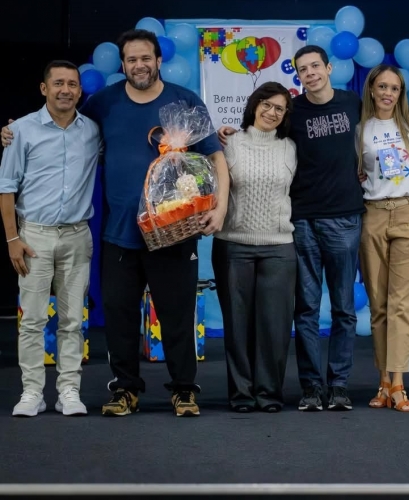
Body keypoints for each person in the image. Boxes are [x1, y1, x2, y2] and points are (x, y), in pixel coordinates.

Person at [3, 29, 230, 417]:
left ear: (158, 60)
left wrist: (220, 208)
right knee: (120, 319)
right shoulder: (102, 104)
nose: (138, 65)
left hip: (173, 234)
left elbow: (216, 158)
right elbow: (64, 124)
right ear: (122, 64)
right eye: (131, 59)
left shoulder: (185, 101)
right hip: (119, 236)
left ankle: (184, 390)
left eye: (146, 58)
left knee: (176, 317)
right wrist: (13, 131)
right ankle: (125, 389)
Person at [218, 45, 363, 411]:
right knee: (283, 315)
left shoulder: (347, 107)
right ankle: (279, 391)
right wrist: (227, 133)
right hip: (272, 232)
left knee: (317, 315)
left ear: (329, 68)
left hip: (315, 229)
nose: (310, 72)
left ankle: (308, 389)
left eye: (316, 65)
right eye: (303, 68)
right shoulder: (246, 139)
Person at [0, 60, 101, 417]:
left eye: (72, 84)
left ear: (79, 89)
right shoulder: (21, 131)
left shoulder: (92, 131)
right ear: (44, 88)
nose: (66, 90)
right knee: (32, 320)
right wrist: (12, 238)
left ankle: (69, 391)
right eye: (58, 83)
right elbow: (7, 188)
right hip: (34, 237)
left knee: (73, 320)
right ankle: (32, 393)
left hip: (77, 236)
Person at [211, 82, 297, 413]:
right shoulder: (229, 143)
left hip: (279, 247)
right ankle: (242, 395)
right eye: (266, 104)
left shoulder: (291, 147)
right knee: (237, 326)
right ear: (254, 105)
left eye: (279, 108)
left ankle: (270, 394)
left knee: (275, 328)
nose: (271, 112)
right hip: (234, 246)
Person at [357, 64, 409, 412]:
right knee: (379, 305)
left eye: (395, 88)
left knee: (402, 303)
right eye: (382, 86)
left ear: (401, 94)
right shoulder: (360, 130)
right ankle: (383, 381)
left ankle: (398, 383)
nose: (388, 93)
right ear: (371, 90)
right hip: (373, 214)